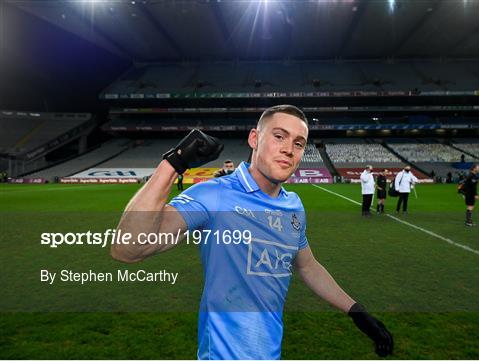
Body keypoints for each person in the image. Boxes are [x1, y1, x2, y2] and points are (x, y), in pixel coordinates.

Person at [111, 105, 393, 360]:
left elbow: (307, 265)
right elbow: (127, 248)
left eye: (298, 143)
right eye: (279, 136)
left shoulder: (293, 206)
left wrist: (356, 312)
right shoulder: (216, 194)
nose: (289, 149)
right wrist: (173, 164)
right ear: (254, 139)